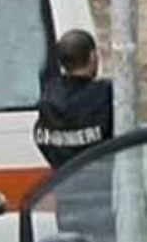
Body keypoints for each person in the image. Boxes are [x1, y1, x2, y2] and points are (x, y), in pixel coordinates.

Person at [33, 29, 114, 170]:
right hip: (101, 179)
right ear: (93, 56)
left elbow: (43, 140)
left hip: (64, 180)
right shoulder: (105, 94)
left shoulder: (48, 97)